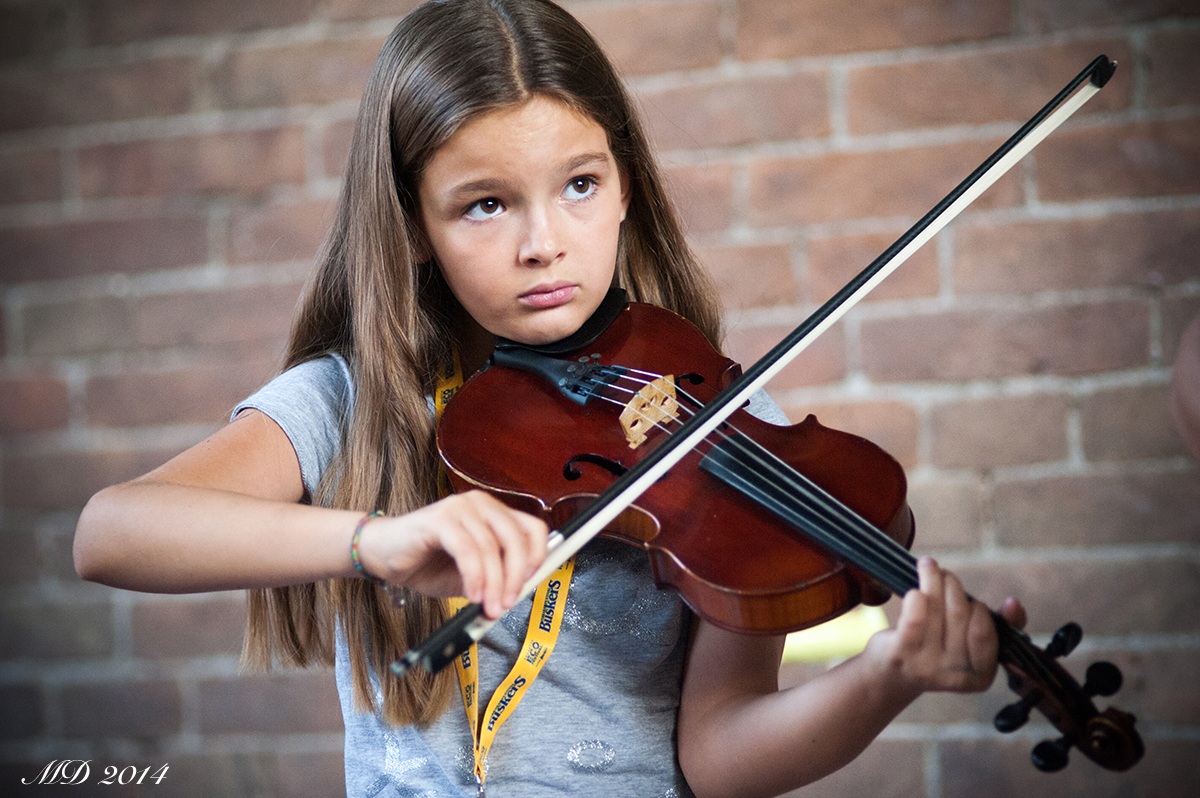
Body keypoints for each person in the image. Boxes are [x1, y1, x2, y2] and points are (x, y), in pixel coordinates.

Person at [73, 1, 1025, 796]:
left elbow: (722, 754)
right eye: (486, 204)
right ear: (413, 229)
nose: (545, 243)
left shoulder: (734, 431)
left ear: (624, 192)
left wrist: (883, 676)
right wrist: (372, 541)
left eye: (578, 184)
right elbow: (112, 532)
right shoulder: (360, 401)